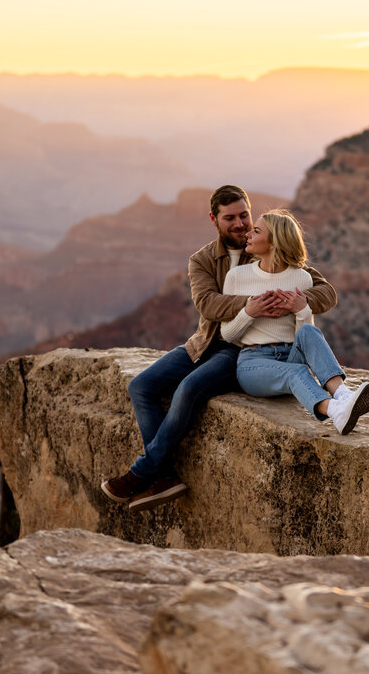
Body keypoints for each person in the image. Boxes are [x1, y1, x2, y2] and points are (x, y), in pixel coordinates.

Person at [101, 185, 338, 512]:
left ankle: (142, 471)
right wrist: (252, 304)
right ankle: (166, 476)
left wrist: (298, 300)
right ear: (214, 219)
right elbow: (208, 304)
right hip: (204, 344)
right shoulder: (202, 260)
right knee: (140, 385)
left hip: (242, 351)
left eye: (245, 215)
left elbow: (325, 292)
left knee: (188, 389)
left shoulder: (270, 247)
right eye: (230, 218)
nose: (240, 224)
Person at [222, 209, 369, 434]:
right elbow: (227, 334)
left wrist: (302, 309)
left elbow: (303, 335)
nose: (248, 234)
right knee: (296, 373)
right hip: (253, 364)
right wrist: (249, 311)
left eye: (256, 231)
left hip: (291, 354)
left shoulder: (301, 278)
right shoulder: (237, 276)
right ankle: (335, 411)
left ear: (274, 242)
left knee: (310, 333)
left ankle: (343, 395)